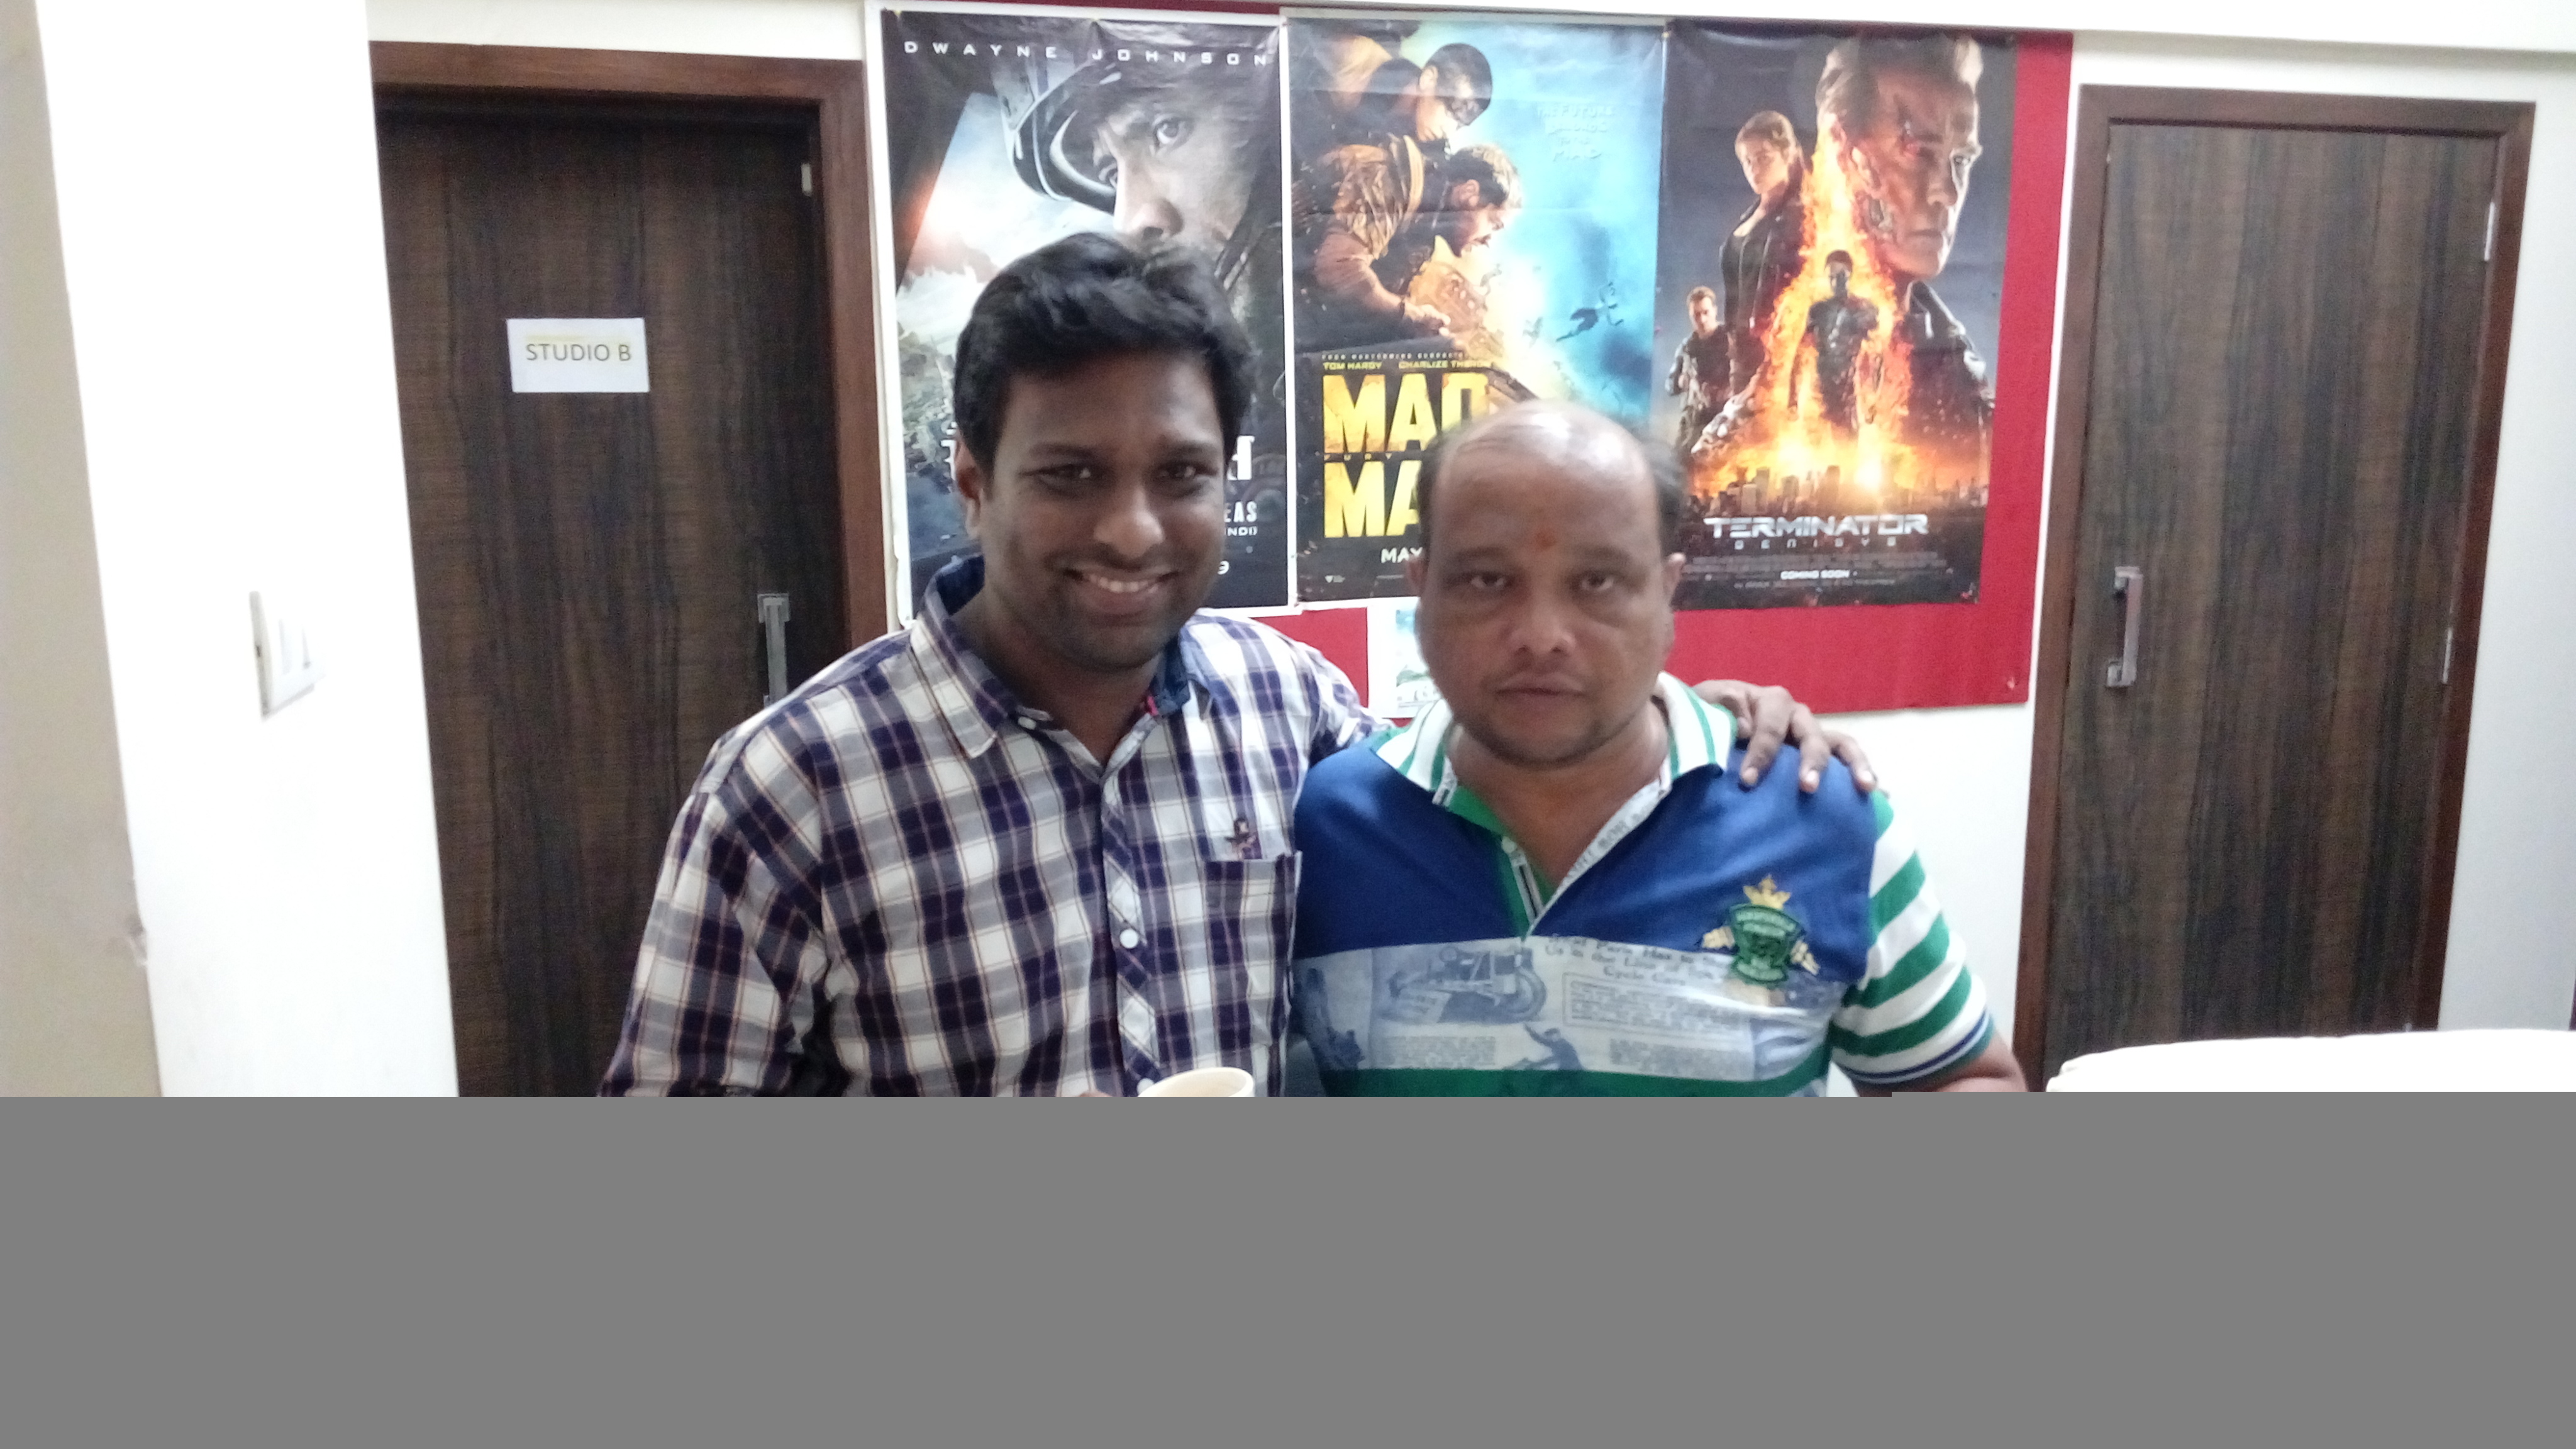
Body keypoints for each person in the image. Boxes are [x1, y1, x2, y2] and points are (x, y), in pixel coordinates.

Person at [602, 236, 1867, 1096]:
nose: (1131, 530)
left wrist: (1692, 721)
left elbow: (1489, 762)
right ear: (973, 481)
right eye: (1069, 475)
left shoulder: (1293, 709)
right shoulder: (793, 786)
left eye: (1180, 474)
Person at [1289, 401, 2024, 1096]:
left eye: (1597, 581)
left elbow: (1970, 1078)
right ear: (1422, 591)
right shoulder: (1325, 827)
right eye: (1487, 580)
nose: (1541, 635)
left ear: (1667, 592)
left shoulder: (1824, 817)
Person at [1816, 34, 1992, 452]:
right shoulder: (1792, 337)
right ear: (1848, 156)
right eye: (1919, 153)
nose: (1948, 192)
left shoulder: (1955, 360)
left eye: (1961, 160)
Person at [1718, 111, 1808, 397]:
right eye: (1747, 161)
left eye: (1763, 158)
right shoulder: (1750, 216)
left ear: (1788, 154)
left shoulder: (1803, 215)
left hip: (1780, 358)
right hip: (1741, 356)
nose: (1754, 169)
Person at [1790, 250, 1880, 436]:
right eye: (1831, 276)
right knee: (1815, 440)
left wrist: (1872, 398)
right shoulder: (1818, 310)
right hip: (1819, 387)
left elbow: (1876, 356)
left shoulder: (1864, 309)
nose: (1835, 281)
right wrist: (1793, 397)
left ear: (1850, 274)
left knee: (1847, 437)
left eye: (1840, 275)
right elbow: (1801, 352)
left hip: (1848, 387)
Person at [1666, 286, 1727, 458]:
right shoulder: (1687, 347)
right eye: (1696, 315)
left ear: (1715, 311)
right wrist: (1681, 382)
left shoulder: (1730, 340)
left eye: (1706, 312)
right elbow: (1670, 385)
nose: (1702, 319)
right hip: (1693, 423)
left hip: (1722, 421)